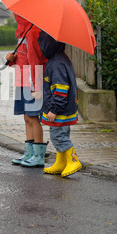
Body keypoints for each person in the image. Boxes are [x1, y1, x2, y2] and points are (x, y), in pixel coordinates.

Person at [38, 32, 82, 177]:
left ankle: (73, 160)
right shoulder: (59, 59)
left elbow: (61, 89)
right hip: (64, 108)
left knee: (58, 136)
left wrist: (54, 109)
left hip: (60, 110)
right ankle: (61, 162)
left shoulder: (56, 63)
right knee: (60, 133)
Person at [7, 15, 48, 167]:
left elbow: (35, 60)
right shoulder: (22, 31)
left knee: (32, 117)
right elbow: (23, 57)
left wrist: (37, 87)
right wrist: (12, 59)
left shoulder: (32, 31)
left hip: (30, 82)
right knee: (26, 117)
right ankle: (29, 153)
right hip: (22, 80)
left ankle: (38, 156)